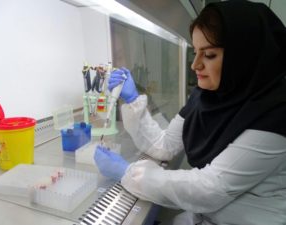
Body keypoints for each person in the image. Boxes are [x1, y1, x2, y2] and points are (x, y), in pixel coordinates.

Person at [94, 1, 286, 224]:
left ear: (244, 57)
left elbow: (209, 189)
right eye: (195, 52)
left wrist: (127, 172)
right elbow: (164, 146)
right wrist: (132, 100)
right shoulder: (206, 97)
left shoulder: (275, 115)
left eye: (210, 55)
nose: (195, 65)